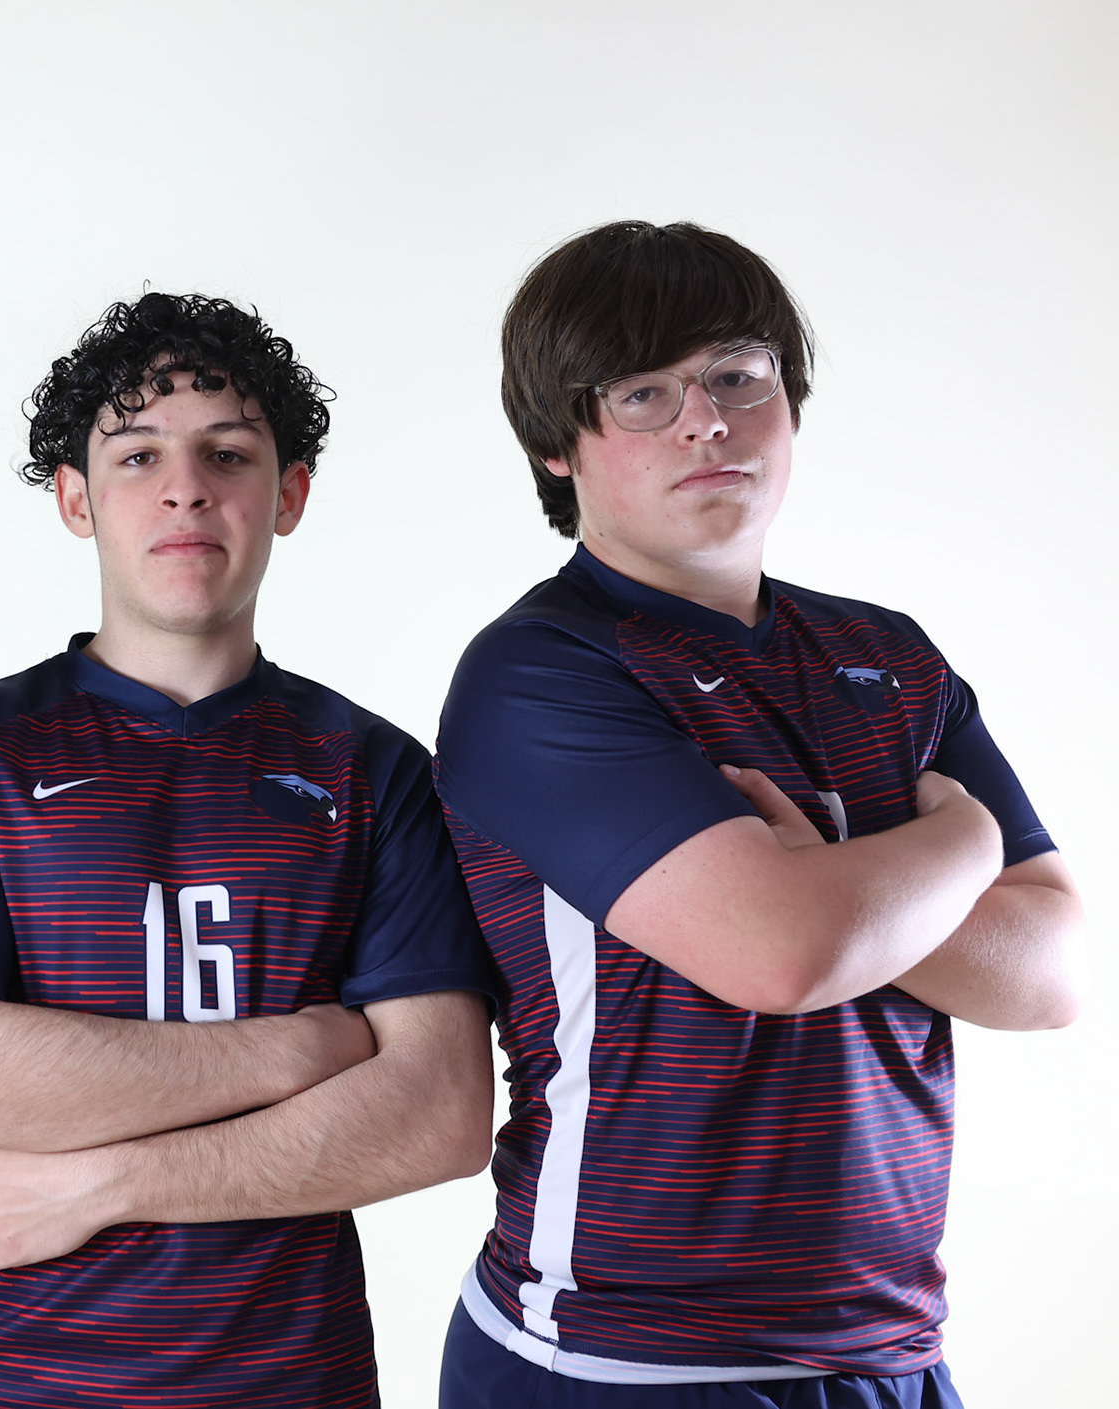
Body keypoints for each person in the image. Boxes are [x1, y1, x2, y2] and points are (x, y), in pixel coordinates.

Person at [434, 220, 1084, 1408]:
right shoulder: (539, 675)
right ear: (556, 449)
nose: (706, 418)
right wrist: (961, 840)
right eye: (643, 392)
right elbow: (781, 951)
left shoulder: (888, 657)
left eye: (739, 374)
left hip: (890, 1347)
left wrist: (835, 883)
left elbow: (1051, 971)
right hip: (624, 1356)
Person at [0, 292, 496, 1408]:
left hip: (291, 1379)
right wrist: (304, 1049)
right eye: (137, 452)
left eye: (229, 452)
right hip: (26, 1378)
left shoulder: (373, 767)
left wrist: (105, 1181)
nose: (186, 485)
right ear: (75, 499)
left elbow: (439, 1110)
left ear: (288, 493)